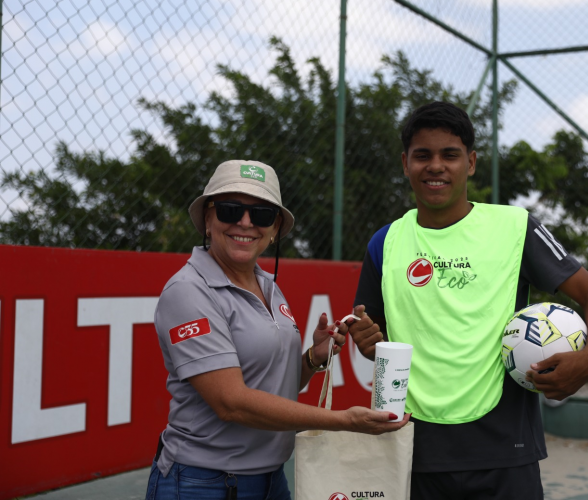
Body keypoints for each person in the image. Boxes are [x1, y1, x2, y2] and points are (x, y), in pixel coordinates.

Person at [348, 102, 588, 499]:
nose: (435, 165)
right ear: (405, 163)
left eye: (450, 155)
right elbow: (378, 345)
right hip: (415, 450)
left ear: (471, 163)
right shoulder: (384, 242)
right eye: (422, 155)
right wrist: (367, 343)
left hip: (504, 450)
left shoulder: (515, 227)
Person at [146, 160, 409, 500]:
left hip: (270, 480)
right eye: (230, 210)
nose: (245, 222)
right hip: (203, 482)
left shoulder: (267, 285)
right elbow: (232, 403)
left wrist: (312, 359)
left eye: (262, 215)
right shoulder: (188, 291)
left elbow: (273, 384)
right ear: (207, 220)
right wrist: (345, 421)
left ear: (274, 229)